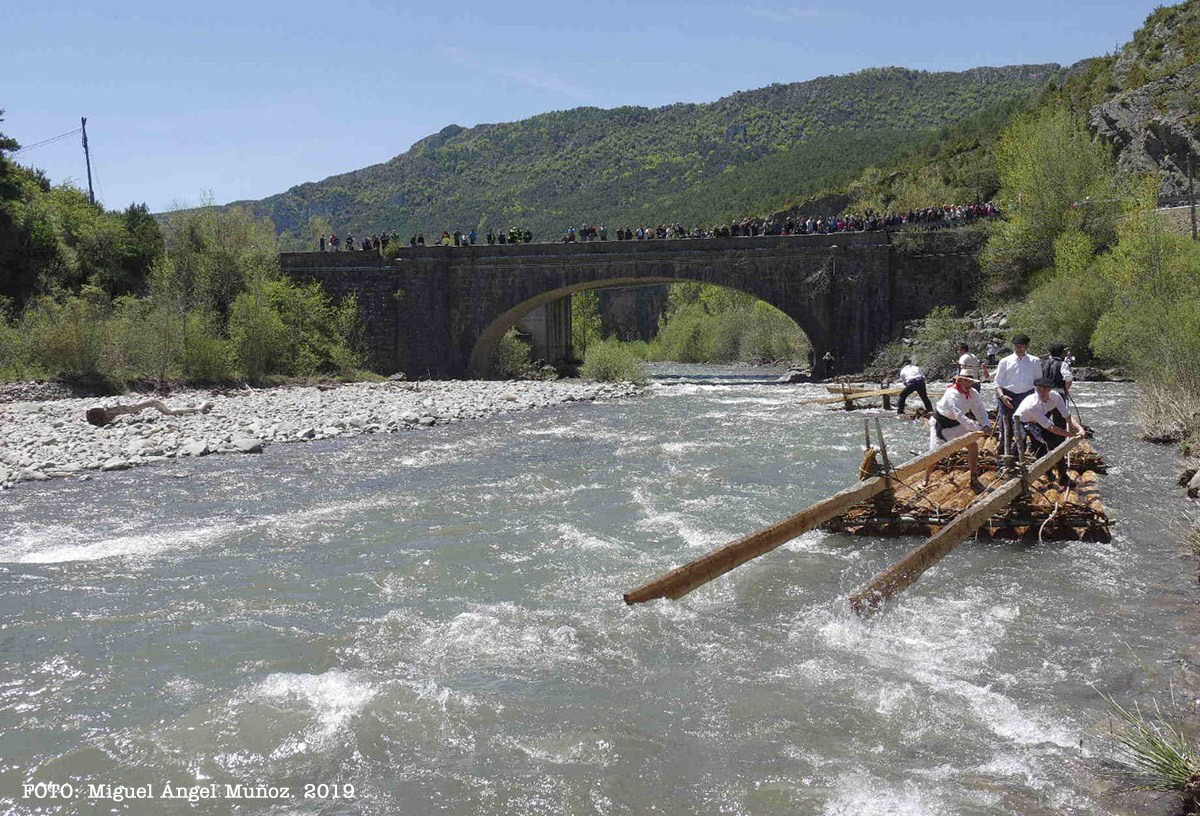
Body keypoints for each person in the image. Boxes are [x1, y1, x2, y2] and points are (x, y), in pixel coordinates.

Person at [927, 369, 992, 491]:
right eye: (965, 381)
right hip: (942, 424)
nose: (968, 384)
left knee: (973, 446)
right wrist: (978, 428)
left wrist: (986, 424)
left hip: (957, 424)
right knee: (935, 456)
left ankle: (974, 478)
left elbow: (980, 410)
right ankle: (926, 480)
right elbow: (960, 415)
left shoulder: (973, 393)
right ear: (960, 381)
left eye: (970, 381)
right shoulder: (952, 393)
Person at [1016, 377, 1086, 487]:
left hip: (1039, 420)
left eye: (1044, 389)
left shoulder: (1056, 396)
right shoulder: (1032, 405)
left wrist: (1079, 428)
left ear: (1049, 390)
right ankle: (1016, 474)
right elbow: (1052, 428)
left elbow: (1067, 416)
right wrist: (1071, 435)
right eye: (1039, 389)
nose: (1041, 392)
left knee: (1056, 444)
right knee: (1022, 444)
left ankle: (1062, 477)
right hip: (1022, 421)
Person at [992, 333, 1041, 459]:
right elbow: (997, 382)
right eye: (1016, 346)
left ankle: (1028, 454)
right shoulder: (1005, 361)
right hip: (1007, 396)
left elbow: (1038, 382)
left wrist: (1037, 399)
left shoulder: (1035, 361)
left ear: (1027, 346)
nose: (1019, 348)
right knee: (1005, 429)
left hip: (1027, 396)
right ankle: (1003, 456)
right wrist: (1002, 396)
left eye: (1021, 346)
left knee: (1027, 426)